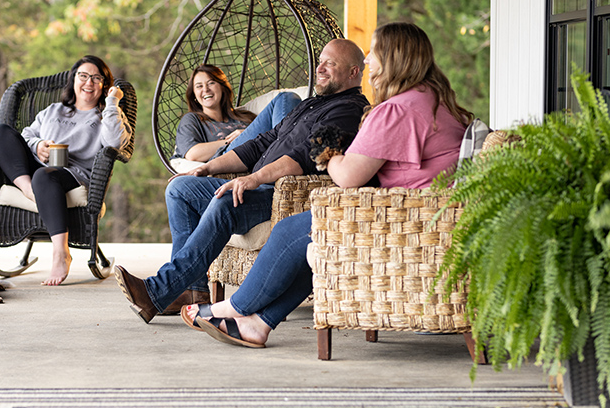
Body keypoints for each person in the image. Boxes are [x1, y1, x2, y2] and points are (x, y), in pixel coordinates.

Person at [184, 22, 474, 349]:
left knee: (292, 231)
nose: (368, 62)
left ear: (393, 58)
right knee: (314, 244)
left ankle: (233, 307)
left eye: (374, 52)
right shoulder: (432, 99)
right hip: (427, 216)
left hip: (404, 220)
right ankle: (257, 325)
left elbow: (349, 176)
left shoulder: (397, 109)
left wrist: (328, 154)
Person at [114, 38, 370, 321]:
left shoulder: (348, 110)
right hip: (258, 183)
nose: (319, 68)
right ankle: (192, 291)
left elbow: (302, 157)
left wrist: (253, 178)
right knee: (180, 188)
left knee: (226, 203)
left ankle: (156, 292)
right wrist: (209, 168)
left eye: (329, 64)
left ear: (353, 72)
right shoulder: (310, 104)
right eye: (320, 61)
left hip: (281, 193)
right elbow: (263, 142)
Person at [0, 55, 133, 285]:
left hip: (71, 174)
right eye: (83, 76)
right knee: (0, 132)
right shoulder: (54, 110)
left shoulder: (106, 115)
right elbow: (27, 134)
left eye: (97, 78)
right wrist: (38, 145)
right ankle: (28, 189)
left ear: (104, 86)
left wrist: (113, 102)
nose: (89, 82)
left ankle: (60, 252)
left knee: (44, 176)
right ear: (73, 80)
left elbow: (115, 142)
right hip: (37, 166)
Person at [174, 64, 302, 163]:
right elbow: (192, 153)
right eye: (199, 86)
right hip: (228, 157)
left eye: (211, 83)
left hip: (262, 157)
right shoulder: (192, 119)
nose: (206, 89)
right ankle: (288, 156)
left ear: (222, 87)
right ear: (194, 95)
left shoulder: (245, 116)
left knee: (288, 98)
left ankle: (287, 154)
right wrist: (237, 139)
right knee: (285, 97)